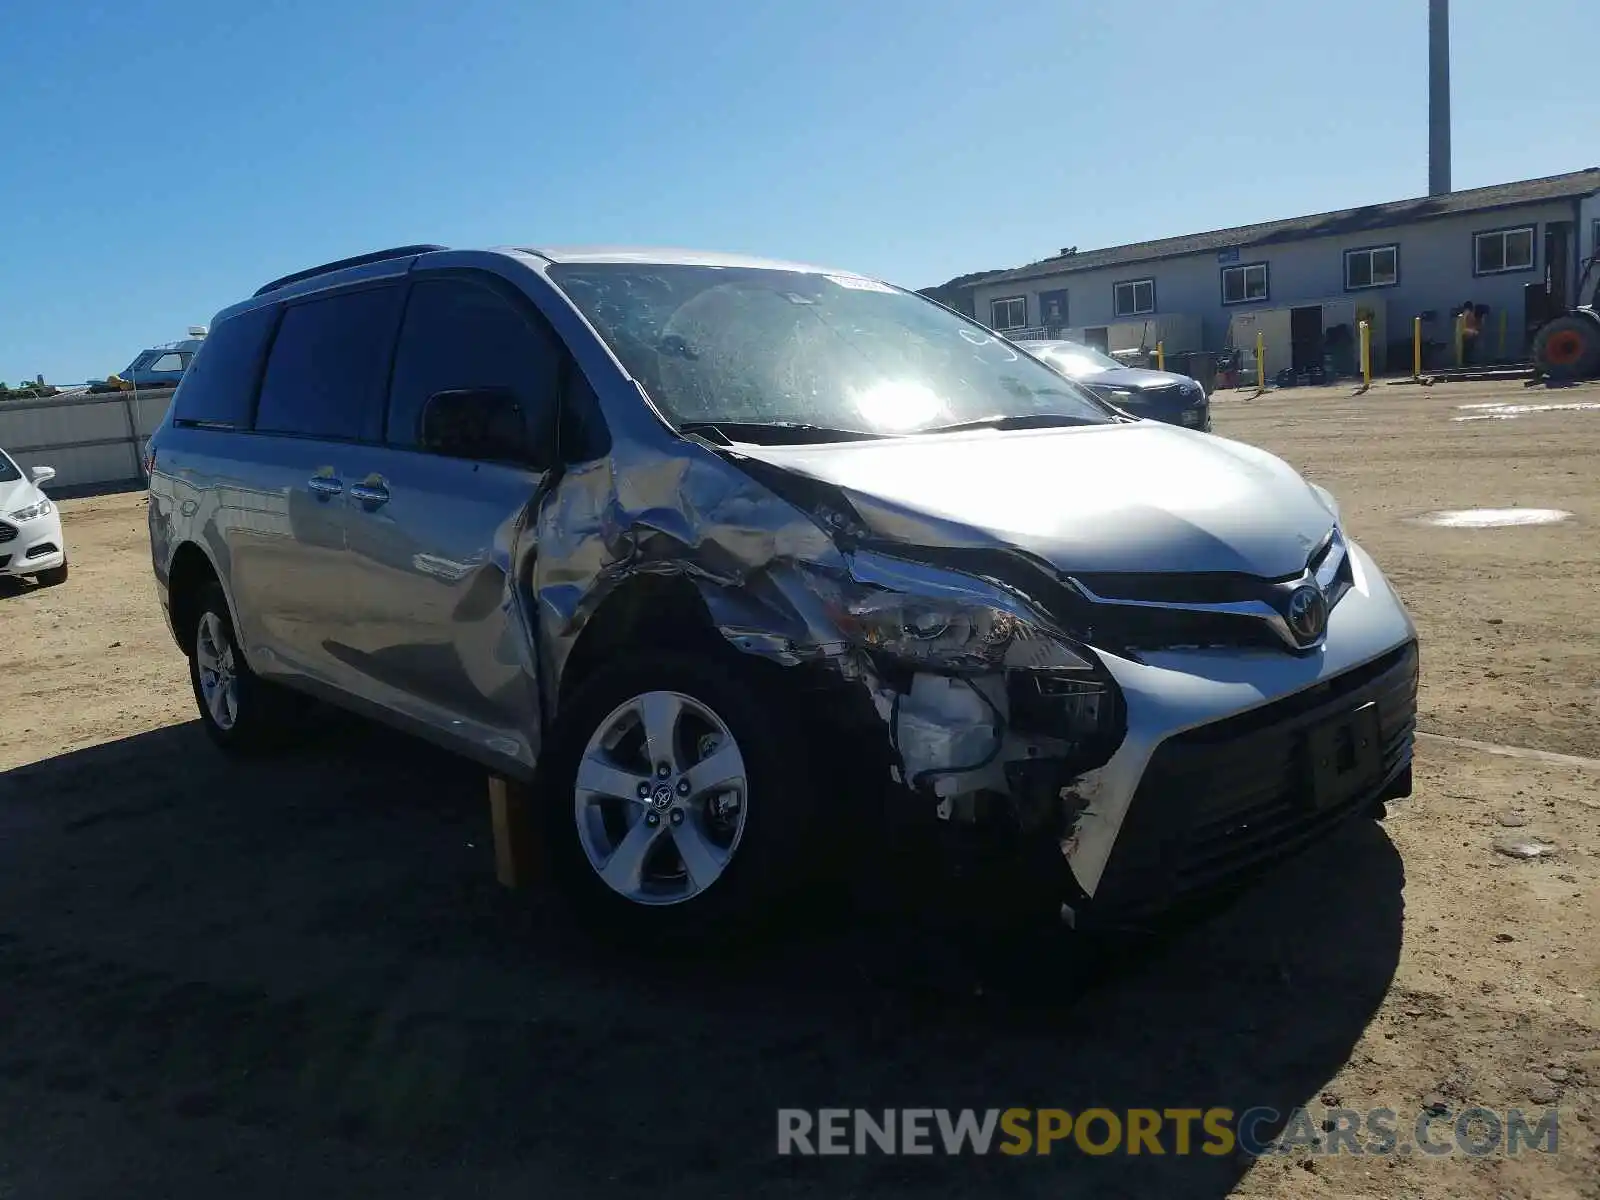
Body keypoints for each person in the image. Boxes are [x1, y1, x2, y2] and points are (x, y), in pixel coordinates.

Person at [1460, 300, 1480, 365]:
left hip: (1464, 334)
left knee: (1465, 351)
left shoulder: (1463, 314)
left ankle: (1465, 363)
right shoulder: (1470, 315)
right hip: (1470, 335)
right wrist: (1475, 332)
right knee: (1469, 351)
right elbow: (1471, 325)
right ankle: (1469, 363)